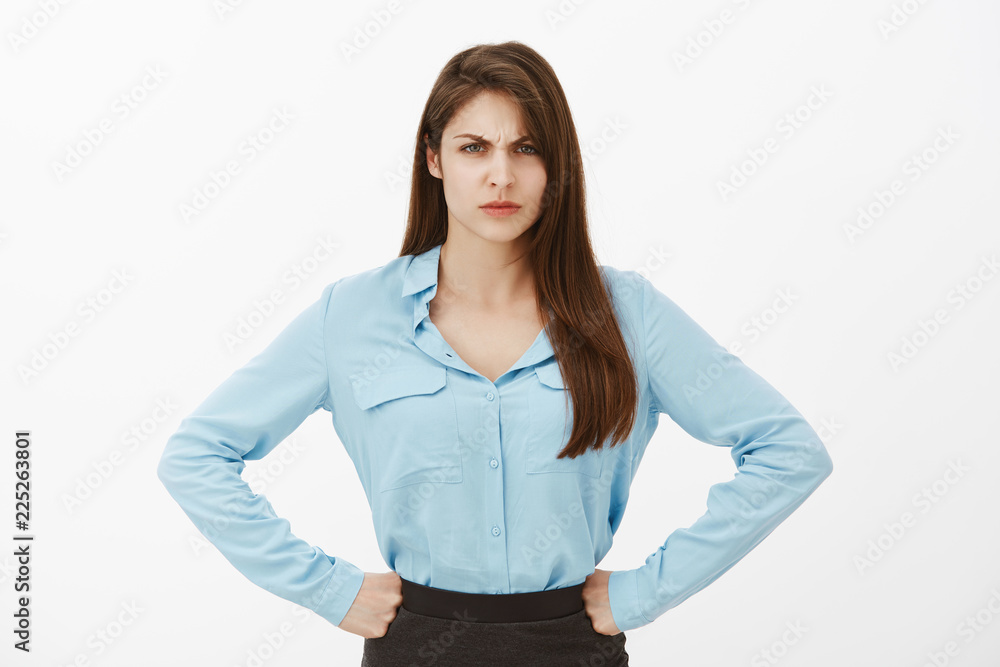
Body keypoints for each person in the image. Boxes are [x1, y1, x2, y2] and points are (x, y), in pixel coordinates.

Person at [156, 41, 834, 666]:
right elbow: (197, 455)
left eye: (527, 149)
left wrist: (642, 593)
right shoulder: (353, 314)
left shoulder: (630, 313)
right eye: (475, 148)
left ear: (556, 165)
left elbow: (787, 451)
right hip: (413, 646)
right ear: (434, 159)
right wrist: (328, 589)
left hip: (573, 645)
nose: (501, 176)